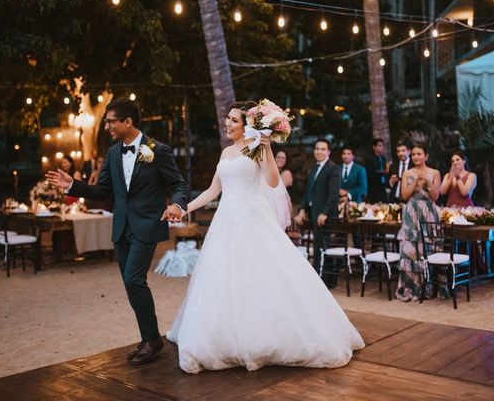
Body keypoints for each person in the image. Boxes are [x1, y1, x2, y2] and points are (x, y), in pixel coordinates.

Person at [166, 102, 364, 373]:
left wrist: (268, 146)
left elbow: (272, 181)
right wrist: (182, 207)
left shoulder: (258, 148)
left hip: (253, 217)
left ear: (247, 124)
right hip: (226, 220)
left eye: (233, 120)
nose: (227, 123)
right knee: (222, 279)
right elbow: (213, 190)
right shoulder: (225, 152)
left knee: (264, 276)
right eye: (227, 119)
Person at [46, 98, 189, 365]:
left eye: (111, 121)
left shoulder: (158, 150)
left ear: (128, 122)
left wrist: (178, 204)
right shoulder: (113, 153)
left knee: (134, 280)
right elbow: (102, 192)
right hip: (121, 228)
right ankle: (150, 338)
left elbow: (179, 184)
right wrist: (73, 186)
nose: (107, 126)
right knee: (130, 284)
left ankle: (152, 340)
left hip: (147, 225)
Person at [396, 144, 443, 302]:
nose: (416, 157)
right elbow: (404, 195)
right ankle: (410, 287)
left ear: (426, 156)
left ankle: (428, 287)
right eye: (414, 154)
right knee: (409, 249)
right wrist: (414, 180)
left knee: (428, 248)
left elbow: (436, 196)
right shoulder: (407, 173)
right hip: (411, 212)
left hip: (428, 212)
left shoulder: (434, 172)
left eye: (419, 154)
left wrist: (428, 182)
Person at [294, 139, 341, 280]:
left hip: (326, 216)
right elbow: (309, 192)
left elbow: (334, 194)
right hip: (314, 214)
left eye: (322, 149)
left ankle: (327, 281)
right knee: (317, 248)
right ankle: (318, 280)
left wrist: (324, 213)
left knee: (325, 249)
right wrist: (302, 210)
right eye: (317, 148)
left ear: (328, 152)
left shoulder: (333, 168)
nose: (319, 152)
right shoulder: (314, 168)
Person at [365, 138, 388, 203]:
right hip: (373, 187)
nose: (382, 148)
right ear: (374, 147)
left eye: (382, 146)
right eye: (379, 146)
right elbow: (368, 175)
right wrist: (379, 173)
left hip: (383, 186)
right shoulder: (369, 159)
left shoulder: (383, 159)